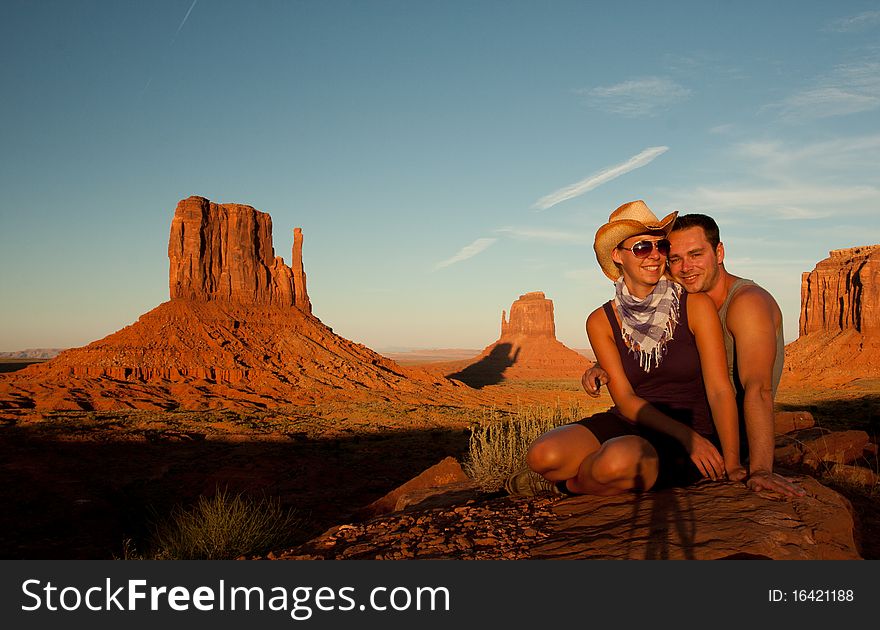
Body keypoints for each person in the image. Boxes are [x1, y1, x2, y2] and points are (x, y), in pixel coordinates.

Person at [506, 201, 744, 497]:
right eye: (643, 247)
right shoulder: (601, 321)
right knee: (543, 455)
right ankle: (592, 474)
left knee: (617, 460)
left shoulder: (694, 306)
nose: (655, 256)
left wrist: (730, 462)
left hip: (691, 430)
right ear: (617, 255)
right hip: (631, 420)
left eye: (662, 246)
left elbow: (720, 389)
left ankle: (566, 487)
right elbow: (626, 400)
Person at [582, 213, 805, 497]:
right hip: (684, 423)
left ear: (719, 252)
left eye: (696, 254)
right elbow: (636, 316)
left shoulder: (747, 304)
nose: (686, 267)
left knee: (617, 460)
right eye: (675, 258)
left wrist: (759, 468)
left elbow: (758, 388)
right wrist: (601, 364)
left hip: (725, 434)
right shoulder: (678, 299)